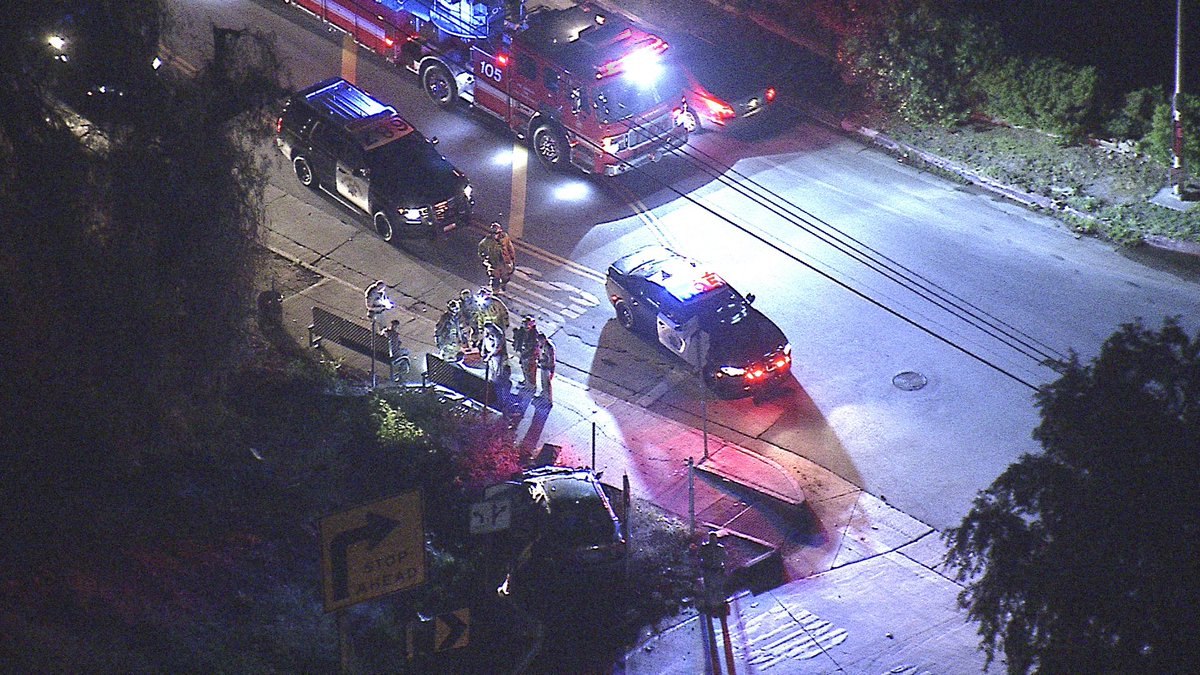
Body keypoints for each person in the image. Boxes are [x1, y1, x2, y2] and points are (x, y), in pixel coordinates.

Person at [478, 221, 516, 293]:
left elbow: (510, 248)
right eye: (495, 233)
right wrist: (486, 260)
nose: (497, 235)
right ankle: (495, 291)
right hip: (494, 264)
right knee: (495, 279)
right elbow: (481, 252)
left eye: (498, 233)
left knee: (506, 276)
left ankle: (503, 284)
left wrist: (512, 259)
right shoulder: (486, 241)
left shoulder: (505, 237)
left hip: (505, 262)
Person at [512, 315, 540, 390]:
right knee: (524, 369)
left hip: (530, 355)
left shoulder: (534, 334)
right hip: (523, 354)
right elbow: (518, 339)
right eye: (525, 324)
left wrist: (527, 353)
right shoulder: (522, 331)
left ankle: (531, 385)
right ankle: (526, 381)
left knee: (530, 370)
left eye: (528, 324)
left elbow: (534, 346)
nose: (526, 326)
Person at [535, 331, 555, 403]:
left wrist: (551, 369)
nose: (539, 342)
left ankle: (548, 399)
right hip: (544, 366)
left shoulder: (549, 347)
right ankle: (544, 395)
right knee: (543, 382)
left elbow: (551, 358)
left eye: (540, 340)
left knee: (547, 383)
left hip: (547, 367)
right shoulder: (543, 346)